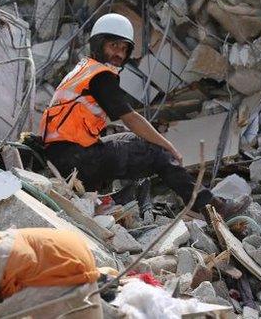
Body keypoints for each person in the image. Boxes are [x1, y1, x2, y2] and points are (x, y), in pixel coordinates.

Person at [41, 13, 249, 218]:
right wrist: (168, 146)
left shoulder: (83, 70)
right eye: (114, 46)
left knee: (134, 143)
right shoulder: (100, 77)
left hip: (64, 156)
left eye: (124, 49)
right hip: (75, 160)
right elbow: (130, 118)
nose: (119, 54)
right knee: (154, 152)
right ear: (99, 43)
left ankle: (116, 198)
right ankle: (207, 205)